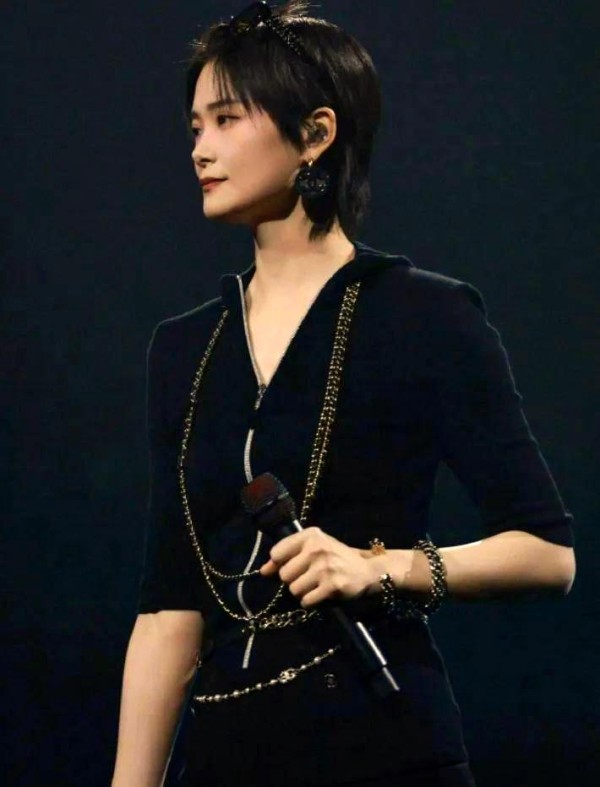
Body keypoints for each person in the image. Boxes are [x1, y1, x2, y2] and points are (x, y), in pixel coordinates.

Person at [111, 2, 575, 785]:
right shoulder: (184, 348)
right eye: (194, 126)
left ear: (316, 133)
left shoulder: (425, 314)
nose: (200, 148)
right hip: (227, 753)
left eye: (226, 119)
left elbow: (547, 553)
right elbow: (167, 612)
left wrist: (379, 567)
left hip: (380, 743)